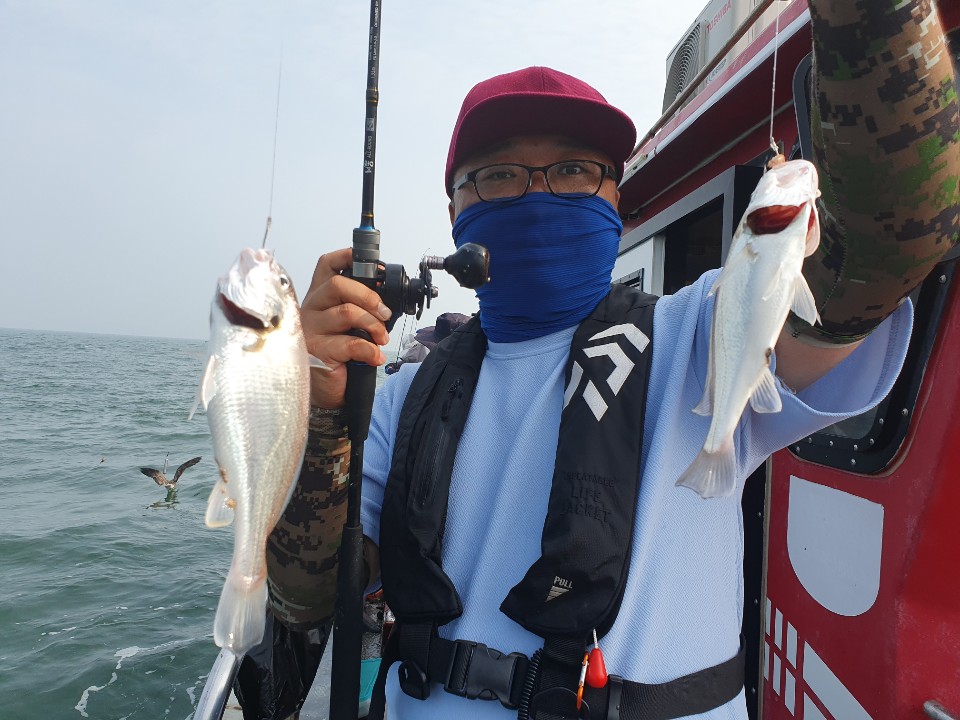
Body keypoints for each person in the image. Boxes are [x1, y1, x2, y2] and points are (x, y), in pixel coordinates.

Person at [260, 2, 959, 718]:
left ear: (615, 200)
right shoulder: (401, 393)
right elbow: (305, 595)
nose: (538, 194)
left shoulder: (701, 334)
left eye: (572, 170)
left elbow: (887, 242)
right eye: (498, 175)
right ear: (454, 214)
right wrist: (319, 414)